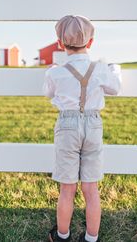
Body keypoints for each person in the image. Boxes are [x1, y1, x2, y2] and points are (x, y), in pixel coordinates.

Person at [43, 15, 122, 242]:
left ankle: (62, 235)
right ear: (90, 43)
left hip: (67, 125)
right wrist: (115, 70)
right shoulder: (100, 69)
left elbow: (48, 92)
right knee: (91, 187)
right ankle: (91, 238)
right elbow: (115, 88)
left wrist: (52, 71)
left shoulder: (55, 72)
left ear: (60, 42)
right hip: (93, 124)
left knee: (67, 188)